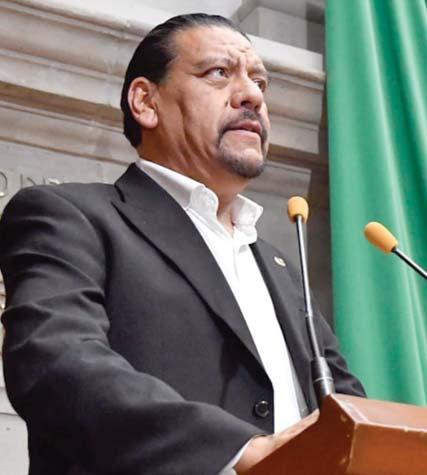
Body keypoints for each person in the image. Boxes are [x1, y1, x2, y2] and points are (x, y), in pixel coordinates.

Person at [0, 13, 365, 475]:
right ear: (145, 102)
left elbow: (352, 412)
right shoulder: (72, 217)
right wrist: (241, 451)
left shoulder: (280, 267)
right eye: (219, 72)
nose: (252, 95)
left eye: (260, 83)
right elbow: (55, 363)